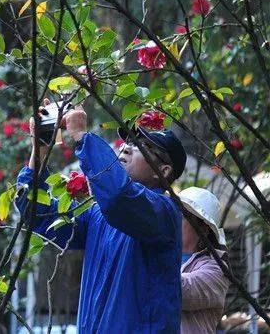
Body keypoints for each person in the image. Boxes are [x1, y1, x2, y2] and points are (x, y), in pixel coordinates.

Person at [16, 105, 188, 333]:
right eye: (129, 142)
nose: (126, 148)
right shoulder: (98, 216)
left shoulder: (164, 212)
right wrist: (39, 150)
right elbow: (37, 211)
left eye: (142, 146)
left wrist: (81, 137)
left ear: (163, 171)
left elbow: (119, 195)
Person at [177, 187, 229, 334]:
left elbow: (179, 291)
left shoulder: (217, 269)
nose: (174, 220)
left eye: (181, 216)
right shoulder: (164, 256)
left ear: (204, 228)